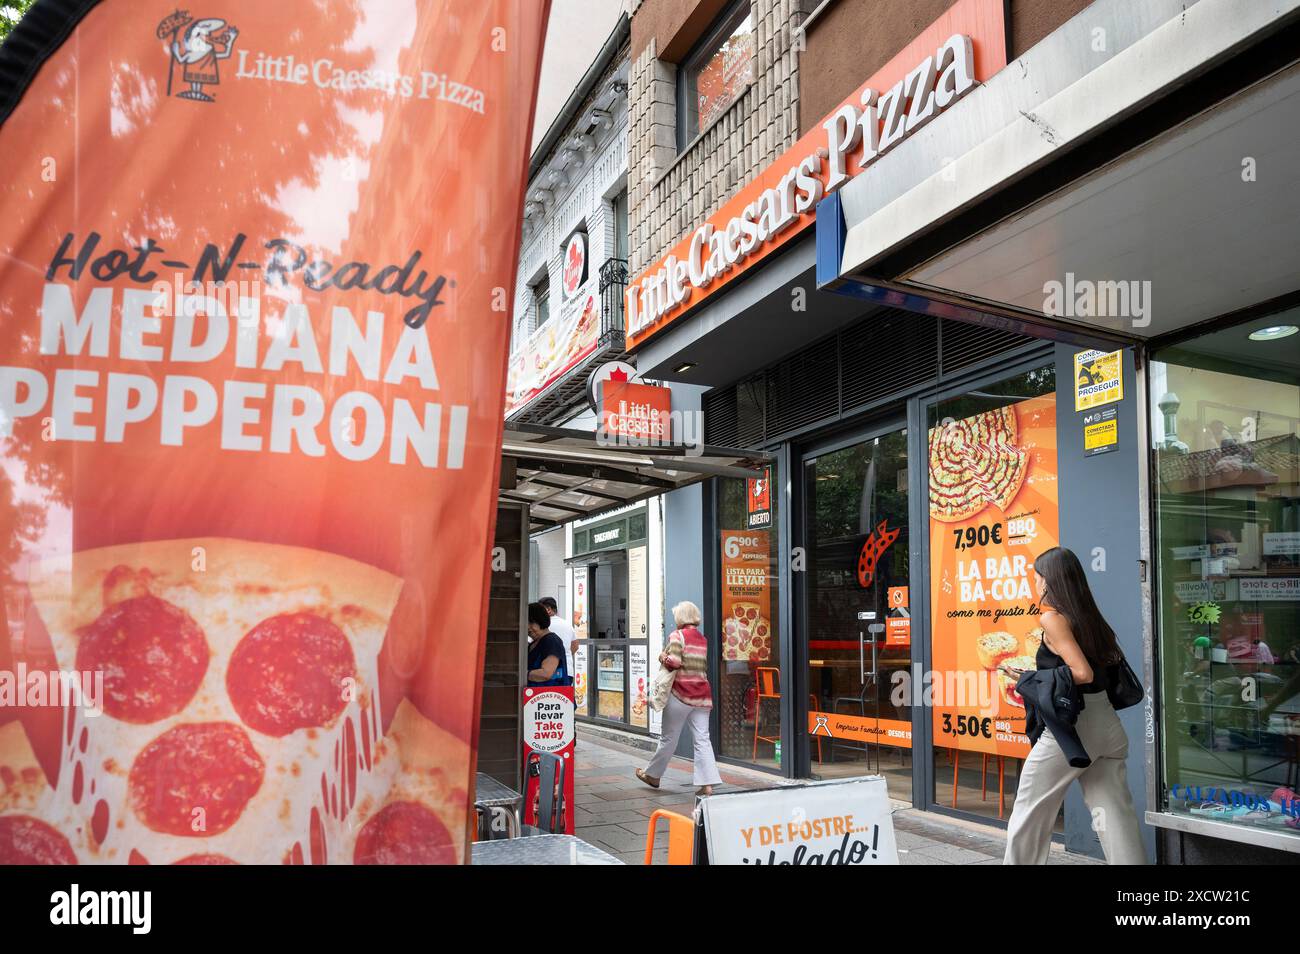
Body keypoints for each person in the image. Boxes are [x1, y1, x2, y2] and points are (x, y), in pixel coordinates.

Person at [1003, 547, 1146, 864]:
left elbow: (1082, 673)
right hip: (1107, 725)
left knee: (1030, 812)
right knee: (1116, 818)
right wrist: (1037, 674)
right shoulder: (1090, 617)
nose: (1035, 583)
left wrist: (1033, 678)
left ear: (1047, 581)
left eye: (1037, 576)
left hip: (1074, 728)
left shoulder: (1052, 618)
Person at [635, 601, 723, 796]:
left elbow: (674, 662)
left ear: (681, 618)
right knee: (702, 739)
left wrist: (661, 657)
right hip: (702, 696)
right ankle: (706, 784)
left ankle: (653, 776)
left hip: (681, 694)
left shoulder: (677, 635)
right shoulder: (702, 638)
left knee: (668, 738)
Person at [526, 602, 569, 686]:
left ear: (541, 620)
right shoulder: (533, 643)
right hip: (536, 696)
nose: (528, 627)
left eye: (531, 622)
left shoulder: (551, 641)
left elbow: (546, 673)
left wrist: (522, 674)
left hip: (552, 696)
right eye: (525, 623)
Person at [540, 596, 576, 680]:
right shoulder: (567, 624)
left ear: (548, 609)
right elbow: (575, 645)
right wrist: (564, 655)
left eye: (540, 610)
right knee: (563, 693)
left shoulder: (543, 625)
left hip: (547, 671)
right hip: (568, 671)